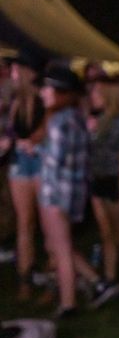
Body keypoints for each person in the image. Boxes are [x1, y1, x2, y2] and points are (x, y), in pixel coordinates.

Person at [37, 65, 114, 316]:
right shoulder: (77, 117)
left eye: (48, 88)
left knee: (59, 247)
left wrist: (32, 148)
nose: (42, 93)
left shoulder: (60, 120)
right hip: (72, 191)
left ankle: (68, 304)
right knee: (60, 244)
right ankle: (98, 282)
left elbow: (54, 160)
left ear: (62, 92)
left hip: (56, 191)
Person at [6, 50, 46, 300]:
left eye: (16, 69)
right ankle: (25, 278)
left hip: (40, 161)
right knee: (25, 223)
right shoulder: (16, 101)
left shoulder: (43, 99)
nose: (12, 73)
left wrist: (30, 141)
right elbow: (13, 133)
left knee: (48, 223)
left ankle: (53, 279)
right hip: (20, 164)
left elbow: (46, 131)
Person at [87, 74, 119, 289]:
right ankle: (109, 276)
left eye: (96, 91)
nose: (92, 95)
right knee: (106, 232)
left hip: (115, 182)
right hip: (99, 180)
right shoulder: (99, 119)